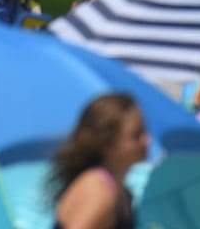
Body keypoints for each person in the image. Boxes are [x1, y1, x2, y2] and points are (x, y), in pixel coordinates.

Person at [49, 93, 147, 229]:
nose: (147, 140)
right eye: (136, 135)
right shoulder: (99, 193)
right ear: (107, 144)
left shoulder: (121, 192)